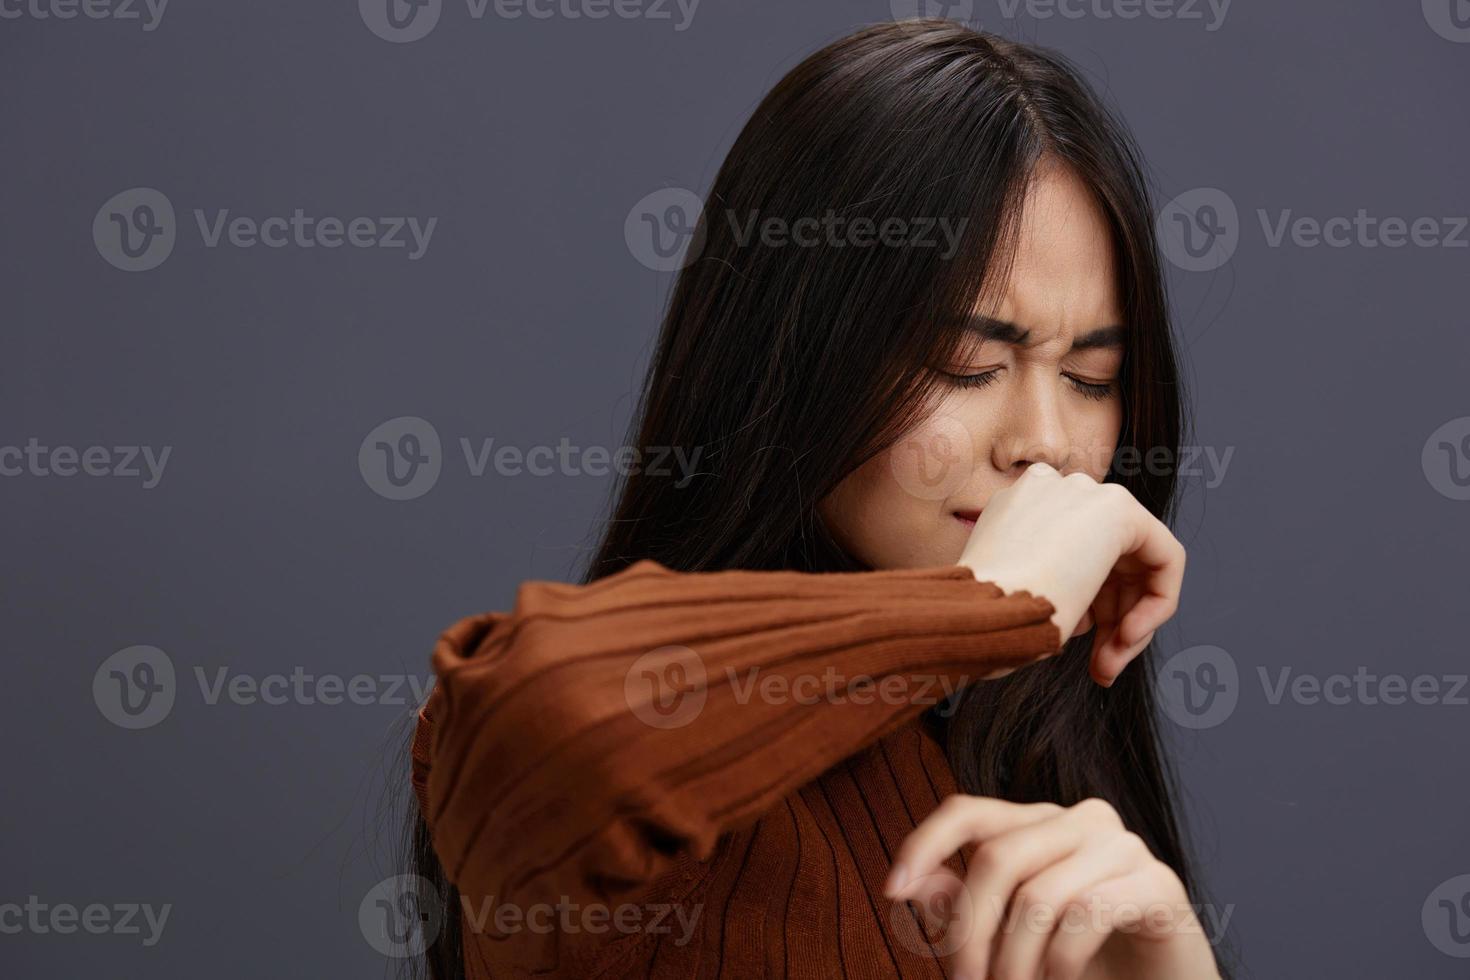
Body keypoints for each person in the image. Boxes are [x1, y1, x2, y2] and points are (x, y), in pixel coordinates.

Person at [407, 19, 1226, 980]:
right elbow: (533, 709)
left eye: (1091, 377)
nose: (1045, 443)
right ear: (794, 355)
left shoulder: (1046, 781)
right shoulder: (652, 819)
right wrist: (986, 605)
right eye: (967, 364)